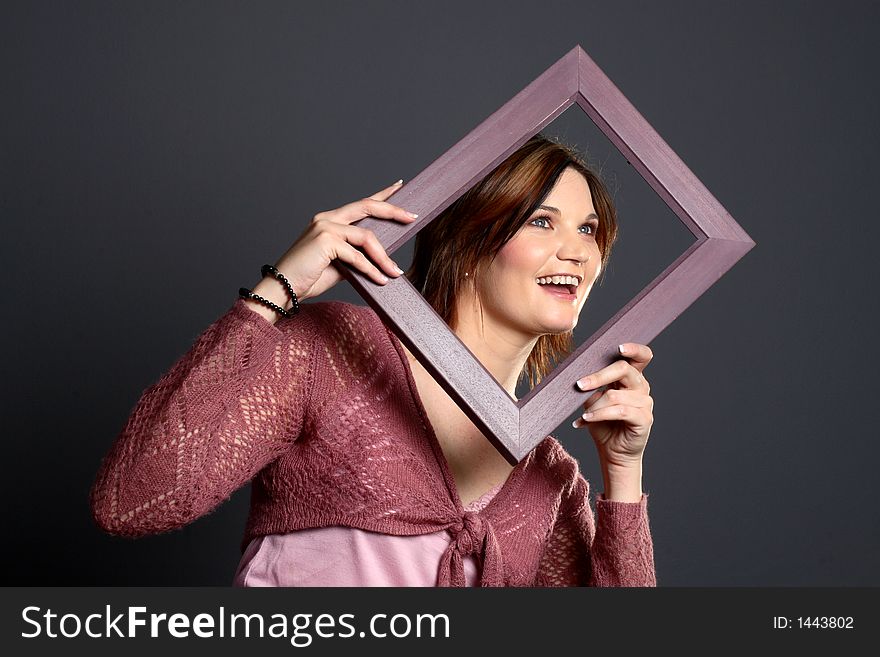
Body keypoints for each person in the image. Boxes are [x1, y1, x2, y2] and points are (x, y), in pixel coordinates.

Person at [89, 134, 657, 587]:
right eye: (542, 220)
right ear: (468, 243)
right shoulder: (337, 352)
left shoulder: (550, 476)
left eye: (589, 229)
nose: (578, 250)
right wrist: (275, 293)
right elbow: (134, 501)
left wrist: (624, 473)